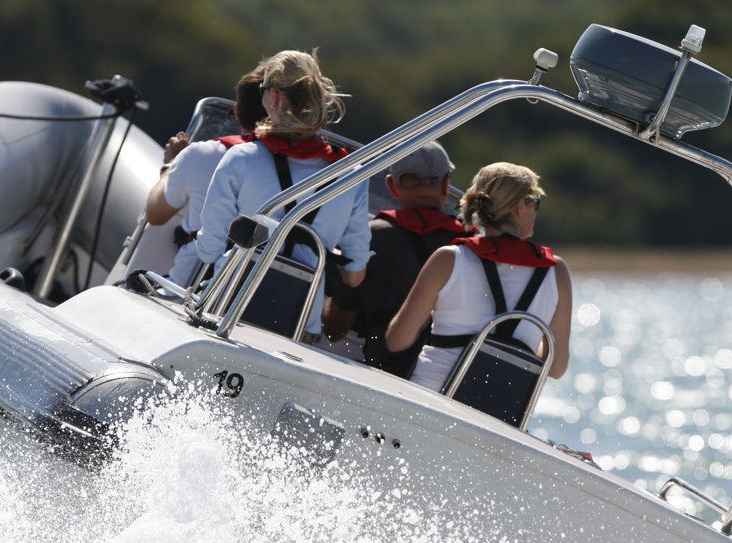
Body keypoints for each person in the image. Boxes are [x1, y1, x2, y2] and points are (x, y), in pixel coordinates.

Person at [196, 50, 370, 341]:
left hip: (227, 310)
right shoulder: (351, 174)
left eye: (263, 90)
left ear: (274, 98)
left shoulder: (240, 158)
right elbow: (354, 274)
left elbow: (209, 251)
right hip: (300, 325)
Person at [386, 162, 572, 391]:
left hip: (432, 394)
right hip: (499, 409)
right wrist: (524, 342)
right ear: (519, 208)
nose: (536, 210)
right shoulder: (557, 271)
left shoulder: (447, 259)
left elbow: (397, 341)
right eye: (535, 203)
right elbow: (556, 368)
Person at [325, 141, 470, 375]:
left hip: (370, 366)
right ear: (445, 184)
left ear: (392, 186)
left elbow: (335, 329)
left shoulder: (372, 236)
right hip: (436, 374)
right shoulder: (468, 246)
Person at [142, 69, 267, 285]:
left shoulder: (204, 154)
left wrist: (172, 164)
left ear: (237, 112)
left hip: (189, 287)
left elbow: (155, 214)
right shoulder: (315, 173)